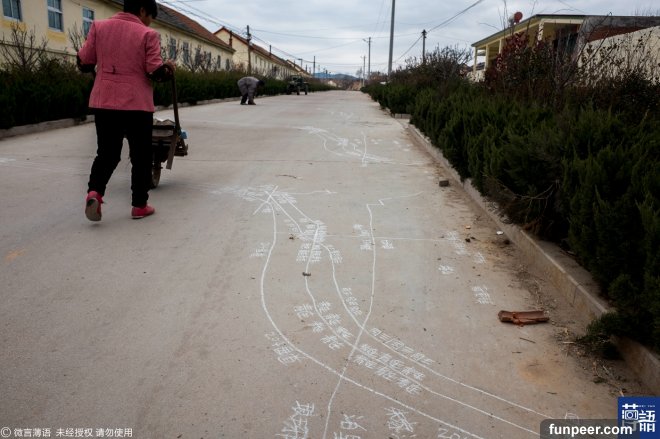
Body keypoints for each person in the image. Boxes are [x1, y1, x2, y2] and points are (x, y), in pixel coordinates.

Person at [77, 0, 175, 221]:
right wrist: (168, 69)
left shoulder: (98, 27)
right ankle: (139, 205)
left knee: (107, 153)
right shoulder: (148, 34)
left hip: (104, 102)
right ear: (142, 10)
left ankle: (94, 193)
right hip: (136, 104)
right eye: (149, 17)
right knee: (141, 156)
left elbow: (84, 62)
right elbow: (155, 72)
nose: (149, 22)